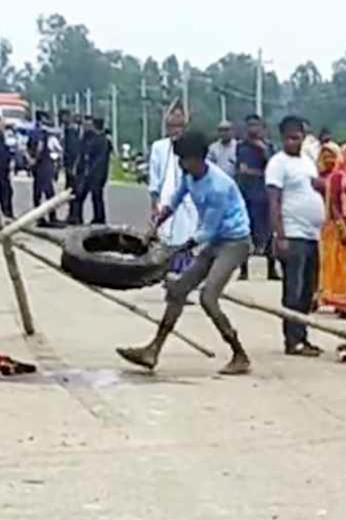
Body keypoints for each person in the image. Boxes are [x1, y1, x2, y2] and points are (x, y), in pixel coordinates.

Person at [117, 130, 252, 376]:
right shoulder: (189, 176)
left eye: (185, 159)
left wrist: (178, 250)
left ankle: (239, 353)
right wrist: (154, 226)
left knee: (208, 297)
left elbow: (207, 231)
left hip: (234, 242)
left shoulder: (218, 187)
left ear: (199, 158)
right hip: (214, 240)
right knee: (178, 291)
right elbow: (173, 202)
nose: (181, 164)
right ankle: (153, 350)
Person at [267, 116, 326, 357]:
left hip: (312, 235)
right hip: (292, 233)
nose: (294, 142)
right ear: (282, 138)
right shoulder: (277, 164)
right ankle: (292, 340)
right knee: (293, 289)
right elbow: (274, 201)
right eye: (289, 138)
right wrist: (279, 235)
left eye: (298, 137)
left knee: (308, 290)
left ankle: (302, 336)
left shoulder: (307, 162)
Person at [149, 109, 197, 272]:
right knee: (165, 233)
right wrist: (154, 202)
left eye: (180, 126)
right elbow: (154, 176)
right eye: (172, 126)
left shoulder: (191, 147)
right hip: (166, 196)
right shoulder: (159, 147)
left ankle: (186, 270)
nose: (176, 130)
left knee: (187, 233)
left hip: (188, 198)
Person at [237, 114, 278, 281]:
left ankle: (271, 268)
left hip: (263, 195)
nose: (252, 128)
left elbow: (273, 168)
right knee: (244, 232)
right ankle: (244, 269)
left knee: (268, 233)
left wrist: (262, 150)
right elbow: (241, 169)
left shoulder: (268, 147)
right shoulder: (242, 147)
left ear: (262, 127)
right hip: (246, 194)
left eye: (256, 125)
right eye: (250, 125)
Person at [317, 142, 346, 311]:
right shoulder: (336, 177)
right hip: (336, 226)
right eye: (325, 156)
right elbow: (333, 204)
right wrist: (341, 227)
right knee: (335, 263)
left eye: (332, 156)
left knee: (345, 264)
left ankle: (344, 301)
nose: (329, 160)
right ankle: (338, 300)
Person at [74, 118, 110, 225]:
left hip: (95, 173)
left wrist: (89, 171)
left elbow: (96, 159)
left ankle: (98, 218)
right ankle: (85, 217)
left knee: (93, 195)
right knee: (88, 196)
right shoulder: (92, 138)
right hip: (92, 172)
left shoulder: (101, 140)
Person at [30, 111, 61, 227]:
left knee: (37, 192)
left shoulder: (32, 131)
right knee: (49, 192)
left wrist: (31, 160)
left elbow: (27, 147)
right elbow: (40, 146)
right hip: (44, 163)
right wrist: (36, 159)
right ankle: (52, 217)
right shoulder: (42, 132)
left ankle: (39, 218)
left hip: (37, 166)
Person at [61, 110, 81, 194]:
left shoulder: (72, 131)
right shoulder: (66, 130)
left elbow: (72, 147)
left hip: (72, 158)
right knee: (69, 179)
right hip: (68, 157)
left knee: (72, 179)